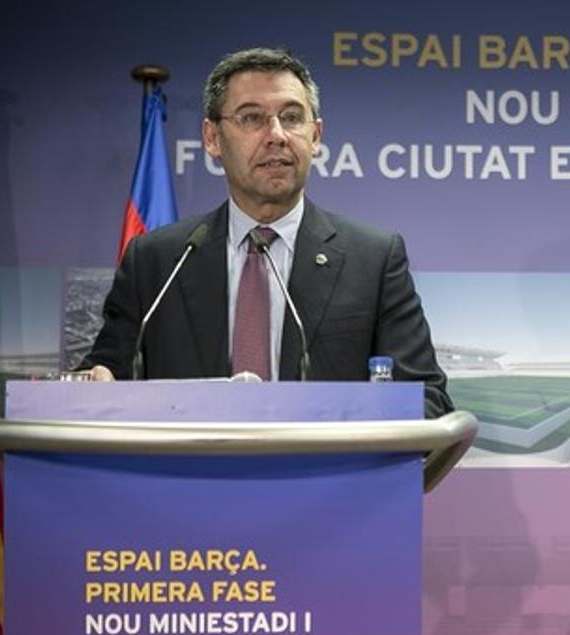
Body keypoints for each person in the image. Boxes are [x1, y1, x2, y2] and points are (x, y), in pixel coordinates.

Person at [80, 47, 452, 418]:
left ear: (316, 135)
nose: (276, 135)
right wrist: (94, 387)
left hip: (326, 474)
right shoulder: (156, 261)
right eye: (252, 118)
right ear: (212, 138)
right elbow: (100, 382)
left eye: (291, 117)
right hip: (191, 475)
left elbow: (428, 400)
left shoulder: (372, 259)